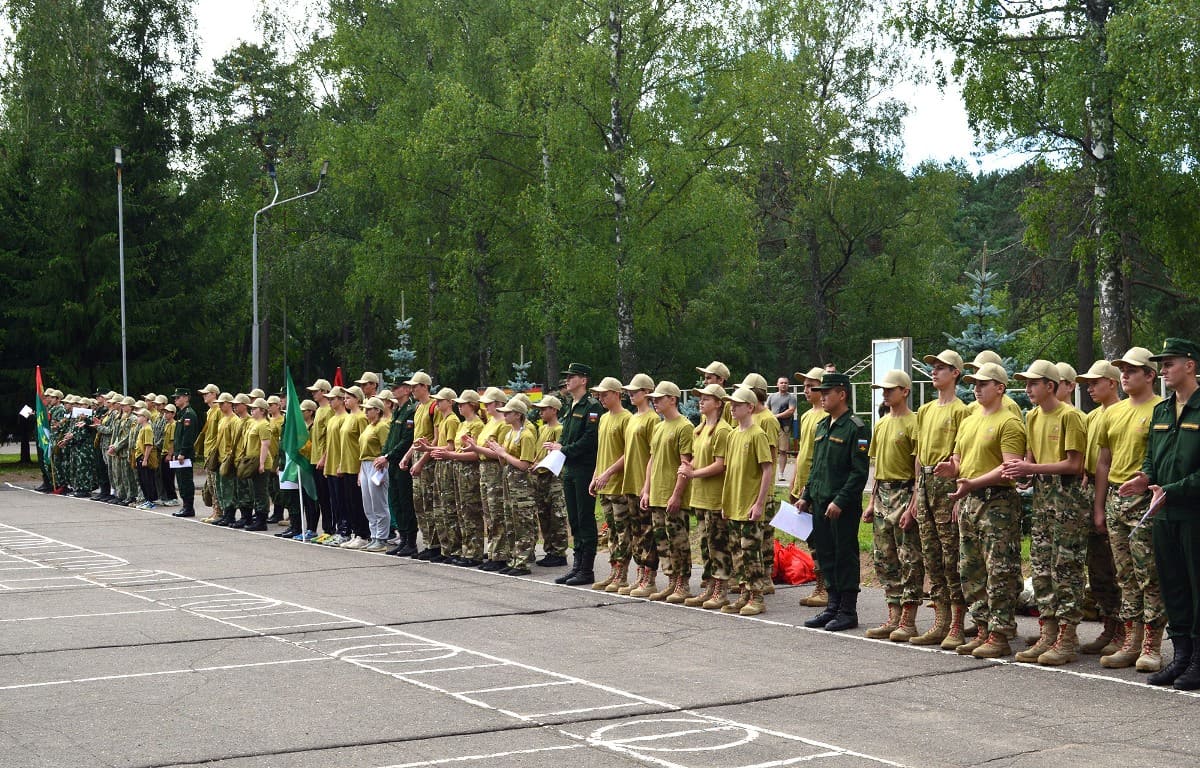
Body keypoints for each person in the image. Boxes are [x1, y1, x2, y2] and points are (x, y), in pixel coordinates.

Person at [1122, 338, 1200, 689]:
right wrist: (1145, 478)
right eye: (1162, 363)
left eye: (1170, 363)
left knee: (1198, 587)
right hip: (1164, 513)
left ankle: (1198, 660)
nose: (1164, 369)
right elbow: (1153, 458)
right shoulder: (1162, 410)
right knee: (1173, 587)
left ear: (1190, 365)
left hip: (1194, 513)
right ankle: (1182, 657)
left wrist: (1174, 489)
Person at [938, 362, 1027, 657]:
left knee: (998, 570)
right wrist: (951, 468)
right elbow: (959, 457)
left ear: (999, 388)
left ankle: (1000, 633)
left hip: (996, 502)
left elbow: (1009, 468)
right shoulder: (970, 418)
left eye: (983, 384)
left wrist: (973, 482)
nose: (976, 388)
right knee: (970, 568)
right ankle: (983, 629)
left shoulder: (1009, 421)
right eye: (974, 383)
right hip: (970, 499)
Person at [1006, 360, 1088, 666]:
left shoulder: (1071, 416)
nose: (1028, 389)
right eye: (1026, 384)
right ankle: (1049, 631)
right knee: (1041, 569)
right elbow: (1031, 459)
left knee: (1065, 569)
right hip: (1043, 500)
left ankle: (1067, 637)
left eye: (1033, 383)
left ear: (1050, 386)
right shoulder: (1032, 416)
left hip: (1067, 501)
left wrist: (1031, 468)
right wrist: (1023, 473)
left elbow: (1074, 465)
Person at [1098, 348, 1166, 672]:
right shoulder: (1112, 413)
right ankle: (1131, 641)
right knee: (1124, 575)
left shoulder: (1161, 410)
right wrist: (1100, 506)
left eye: (1132, 370)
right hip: (1115, 498)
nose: (1124, 375)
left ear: (1150, 375)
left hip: (1143, 501)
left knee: (1148, 574)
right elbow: (1103, 461)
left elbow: (1163, 459)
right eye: (1122, 369)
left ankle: (1152, 645)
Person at [907, 350, 971, 648]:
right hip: (925, 482)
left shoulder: (962, 410)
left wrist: (959, 494)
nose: (934, 372)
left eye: (941, 368)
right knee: (931, 554)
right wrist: (914, 497)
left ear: (955, 373)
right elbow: (919, 456)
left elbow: (964, 456)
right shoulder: (926, 410)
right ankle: (941, 618)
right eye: (932, 367)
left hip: (947, 483)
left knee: (950, 555)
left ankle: (958, 621)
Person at [801, 373, 872, 632]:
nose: (822, 396)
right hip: (820, 502)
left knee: (844, 555)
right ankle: (832, 606)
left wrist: (840, 500)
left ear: (842, 394)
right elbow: (816, 466)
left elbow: (859, 471)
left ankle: (847, 610)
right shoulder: (822, 425)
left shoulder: (856, 427)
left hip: (841, 505)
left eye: (827, 392)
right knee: (826, 554)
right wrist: (806, 496)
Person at [864, 369, 922, 642]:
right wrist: (871, 501)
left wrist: (913, 505)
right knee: (884, 557)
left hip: (905, 490)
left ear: (905, 391)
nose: (885, 394)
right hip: (883, 493)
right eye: (883, 390)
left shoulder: (914, 423)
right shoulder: (882, 423)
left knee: (908, 557)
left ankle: (909, 619)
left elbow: (918, 468)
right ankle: (893, 614)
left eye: (890, 389)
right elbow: (877, 468)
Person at [1075, 360, 1124, 655]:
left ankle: (1125, 629)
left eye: (1096, 383)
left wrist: (1101, 505)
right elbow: (1091, 457)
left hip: (1116, 489)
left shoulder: (1122, 412)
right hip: (1093, 486)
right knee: (1098, 565)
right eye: (1088, 384)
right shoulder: (1092, 417)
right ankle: (1109, 625)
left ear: (1112, 383)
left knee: (1118, 564)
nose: (1090, 388)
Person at [545, 363, 603, 586]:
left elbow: (590, 439)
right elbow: (567, 436)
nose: (567, 380)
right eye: (567, 377)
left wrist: (565, 450)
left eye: (572, 377)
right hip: (569, 468)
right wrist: (557, 446)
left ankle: (586, 569)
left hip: (583, 468)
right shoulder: (571, 405)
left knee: (585, 517)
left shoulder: (592, 406)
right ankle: (577, 566)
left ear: (584, 380)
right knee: (574, 519)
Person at [719, 386, 774, 615]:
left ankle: (757, 596)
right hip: (734, 504)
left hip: (750, 503)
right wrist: (725, 501)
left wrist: (759, 503)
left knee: (751, 552)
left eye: (737, 405)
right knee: (737, 552)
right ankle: (744, 593)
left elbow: (767, 470)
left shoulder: (758, 434)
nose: (732, 408)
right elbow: (729, 471)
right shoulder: (732, 434)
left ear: (750, 407)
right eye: (731, 404)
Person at [678, 383, 732, 609]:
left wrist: (693, 473)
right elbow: (697, 458)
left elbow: (721, 465)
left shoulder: (722, 430)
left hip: (715, 496)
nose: (701, 401)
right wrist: (687, 466)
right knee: (705, 545)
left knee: (718, 544)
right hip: (699, 496)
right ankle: (710, 586)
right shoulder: (699, 428)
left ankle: (721, 589)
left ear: (718, 403)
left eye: (706, 398)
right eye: (700, 397)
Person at [639, 381, 694, 602]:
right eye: (653, 399)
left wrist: (677, 494)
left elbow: (685, 463)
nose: (655, 402)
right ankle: (671, 580)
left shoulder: (684, 426)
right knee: (662, 541)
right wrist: (646, 489)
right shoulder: (659, 427)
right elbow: (652, 460)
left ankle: (683, 582)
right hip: (656, 494)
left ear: (673, 399)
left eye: (659, 399)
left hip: (672, 494)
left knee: (678, 540)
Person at [589, 378, 632, 591]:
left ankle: (622, 574)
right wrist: (595, 475)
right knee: (611, 532)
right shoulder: (604, 419)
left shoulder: (626, 418)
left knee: (623, 531)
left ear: (617, 394)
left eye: (605, 394)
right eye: (599, 395)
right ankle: (613, 571)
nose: (601, 398)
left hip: (619, 484)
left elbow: (628, 454)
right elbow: (601, 451)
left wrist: (608, 472)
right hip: (604, 484)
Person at [790, 367, 828, 607]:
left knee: (820, 538)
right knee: (810, 538)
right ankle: (819, 584)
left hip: (816, 485)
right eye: (804, 386)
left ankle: (824, 586)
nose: (806, 390)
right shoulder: (806, 415)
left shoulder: (826, 415)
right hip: (802, 484)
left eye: (811, 385)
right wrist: (794, 482)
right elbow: (802, 452)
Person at [463, 387, 513, 569]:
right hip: (485, 469)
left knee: (497, 511)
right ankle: (493, 552)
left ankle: (501, 555)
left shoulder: (503, 423)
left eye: (489, 403)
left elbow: (499, 452)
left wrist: (476, 449)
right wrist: (474, 446)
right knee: (489, 513)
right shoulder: (491, 422)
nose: (486, 406)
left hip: (495, 469)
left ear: (499, 404)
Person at [621, 374, 662, 598]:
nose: (631, 394)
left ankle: (650, 576)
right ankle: (640, 574)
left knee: (647, 531)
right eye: (629, 391)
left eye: (635, 391)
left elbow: (653, 455)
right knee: (636, 531)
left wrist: (647, 486)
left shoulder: (652, 419)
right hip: (630, 481)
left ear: (646, 392)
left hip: (643, 482)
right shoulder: (633, 418)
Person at [490, 397, 538, 575]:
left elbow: (525, 464)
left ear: (518, 415)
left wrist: (503, 453)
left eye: (508, 413)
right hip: (509, 482)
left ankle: (523, 562)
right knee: (510, 522)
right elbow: (504, 461)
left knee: (522, 522)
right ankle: (514, 558)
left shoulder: (526, 435)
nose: (505, 415)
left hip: (522, 485)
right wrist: (499, 452)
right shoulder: (510, 433)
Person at [437, 389, 484, 566]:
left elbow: (475, 454)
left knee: (471, 511)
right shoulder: (463, 424)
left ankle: (475, 552)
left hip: (470, 471)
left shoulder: (477, 425)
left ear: (472, 405)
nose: (459, 407)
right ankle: (466, 549)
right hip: (458, 470)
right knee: (462, 511)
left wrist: (453, 456)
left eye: (462, 404)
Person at [378, 381, 419, 556]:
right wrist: (384, 455)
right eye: (392, 388)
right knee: (395, 501)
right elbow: (391, 438)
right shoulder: (397, 411)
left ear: (407, 390)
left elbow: (407, 440)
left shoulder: (410, 411)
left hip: (403, 463)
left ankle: (410, 541)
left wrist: (388, 456)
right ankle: (402, 539)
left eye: (397, 388)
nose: (393, 391)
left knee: (405, 502)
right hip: (393, 463)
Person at [531, 396, 569, 569]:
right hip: (541, 475)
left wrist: (542, 463)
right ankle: (549, 549)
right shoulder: (543, 428)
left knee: (556, 514)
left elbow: (556, 454)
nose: (541, 412)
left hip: (553, 476)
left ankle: (559, 551)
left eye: (544, 409)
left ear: (554, 410)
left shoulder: (559, 429)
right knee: (544, 513)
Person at [358, 397, 392, 552]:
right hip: (365, 464)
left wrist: (383, 464)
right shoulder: (368, 426)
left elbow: (386, 448)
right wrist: (360, 471)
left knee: (379, 503)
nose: (365, 411)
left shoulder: (382, 426)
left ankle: (382, 538)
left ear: (377, 410)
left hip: (377, 464)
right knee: (368, 504)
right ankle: (373, 536)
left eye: (369, 409)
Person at [338, 386, 370, 549]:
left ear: (358, 398)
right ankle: (356, 533)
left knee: (358, 502)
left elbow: (364, 442)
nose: (345, 400)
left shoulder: (361, 418)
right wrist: (341, 464)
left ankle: (363, 534)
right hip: (347, 465)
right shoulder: (348, 417)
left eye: (348, 397)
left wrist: (361, 469)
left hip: (357, 465)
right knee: (349, 502)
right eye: (344, 397)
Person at [241, 398, 276, 531]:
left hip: (260, 462)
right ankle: (258, 518)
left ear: (262, 410)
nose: (252, 410)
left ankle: (262, 521)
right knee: (255, 491)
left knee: (261, 492)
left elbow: (265, 444)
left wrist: (261, 463)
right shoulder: (255, 423)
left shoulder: (264, 425)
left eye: (254, 408)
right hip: (252, 462)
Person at [964, 351, 1023, 419]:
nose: (977, 374)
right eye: (975, 369)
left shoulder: (1010, 406)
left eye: (980, 369)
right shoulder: (972, 407)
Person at [171, 388, 200, 517]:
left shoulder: (189, 414)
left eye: (178, 397)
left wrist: (182, 452)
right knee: (181, 481)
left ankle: (189, 507)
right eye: (175, 398)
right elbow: (178, 437)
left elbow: (188, 437)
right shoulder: (182, 414)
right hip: (179, 453)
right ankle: (185, 506)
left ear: (186, 398)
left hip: (185, 454)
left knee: (186, 481)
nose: (176, 400)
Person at [768, 377, 798, 480]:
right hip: (771, 426)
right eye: (781, 383)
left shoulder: (791, 398)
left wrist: (776, 416)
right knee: (770, 449)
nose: (783, 384)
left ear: (788, 385)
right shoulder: (771, 396)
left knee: (783, 450)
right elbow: (766, 409)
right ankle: (770, 472)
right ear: (777, 384)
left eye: (785, 383)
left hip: (784, 426)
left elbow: (791, 411)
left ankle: (781, 473)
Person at [133, 408, 159, 509]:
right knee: (142, 480)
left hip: (144, 457)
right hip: (140, 456)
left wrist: (145, 459)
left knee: (147, 479)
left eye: (139, 416)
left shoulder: (147, 429)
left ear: (145, 418)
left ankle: (150, 501)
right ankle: (147, 499)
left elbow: (149, 445)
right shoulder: (142, 428)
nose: (137, 418)